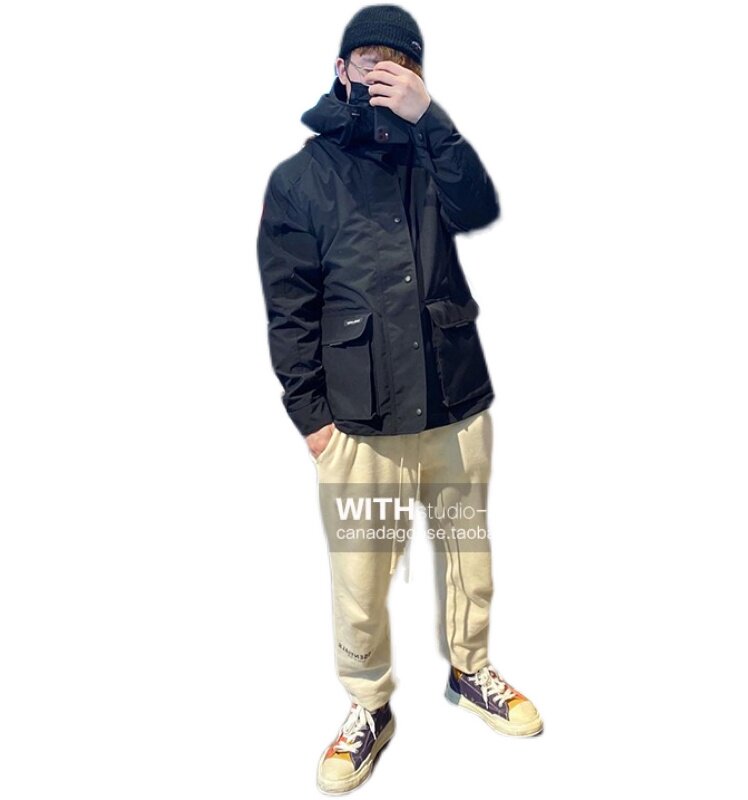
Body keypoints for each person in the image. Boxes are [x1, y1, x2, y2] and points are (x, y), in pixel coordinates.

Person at [256, 5, 544, 794]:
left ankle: (471, 670)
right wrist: (313, 420)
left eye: (400, 63)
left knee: (468, 558)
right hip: (360, 420)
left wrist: (432, 119)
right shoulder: (299, 180)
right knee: (361, 579)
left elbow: (480, 208)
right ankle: (368, 706)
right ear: (340, 70)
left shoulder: (431, 153)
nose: (382, 73)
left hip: (455, 399)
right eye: (368, 60)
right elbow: (289, 310)